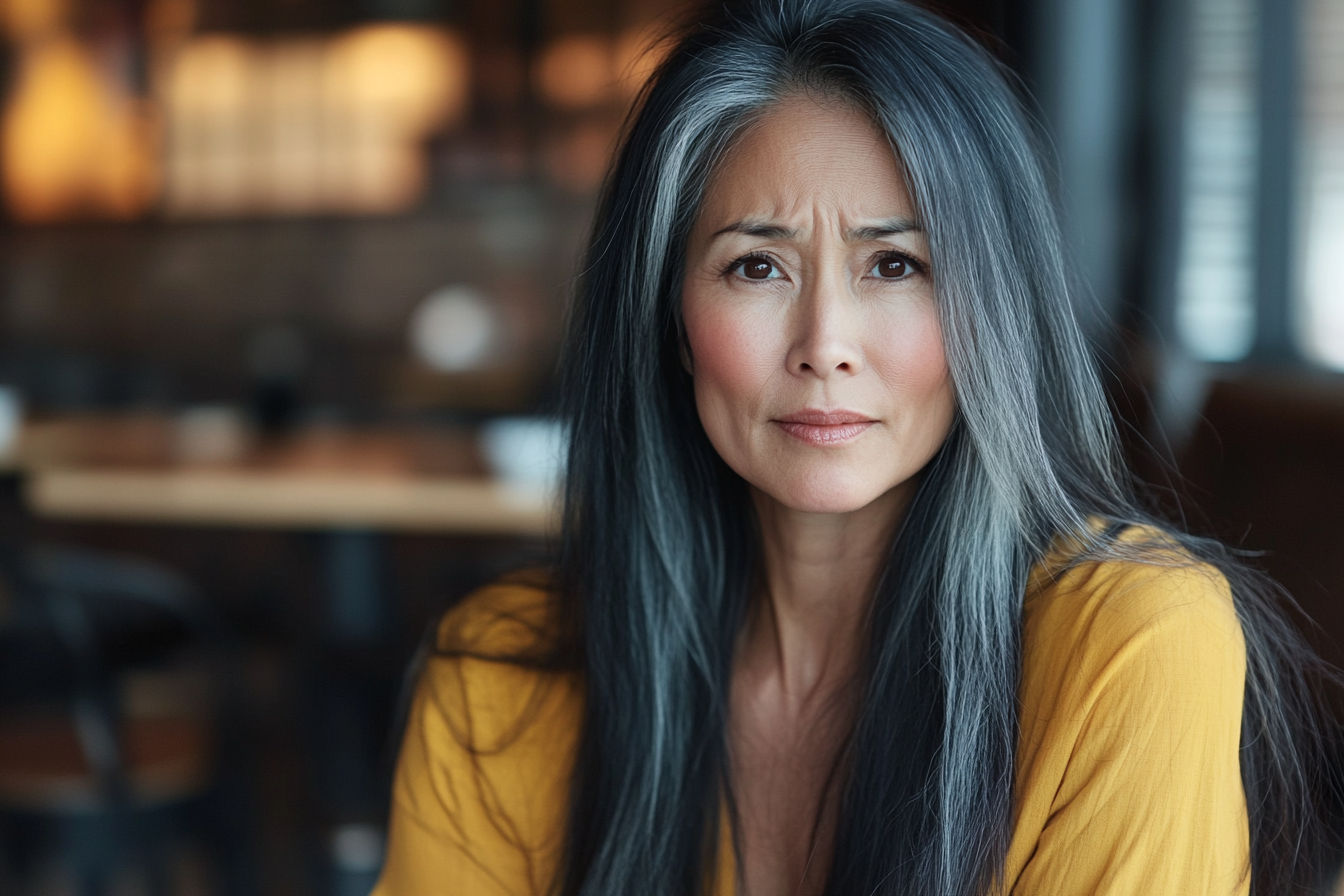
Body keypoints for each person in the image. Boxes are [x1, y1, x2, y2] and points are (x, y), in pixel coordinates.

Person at [373, 1, 1332, 893]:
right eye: (757, 266)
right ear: (672, 317)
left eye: (896, 265)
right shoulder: (501, 682)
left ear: (991, 313)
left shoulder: (1134, 644)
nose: (825, 343)